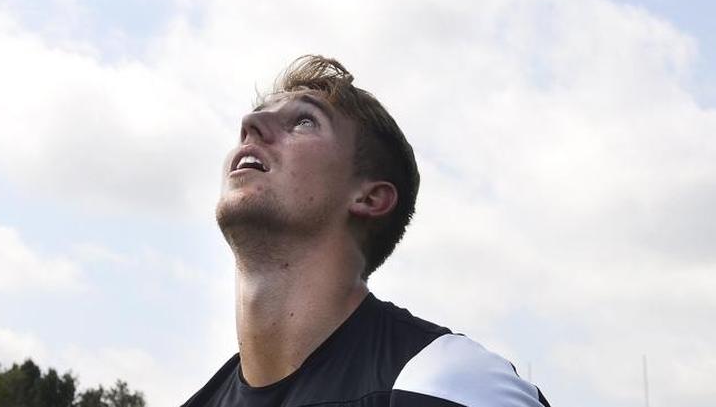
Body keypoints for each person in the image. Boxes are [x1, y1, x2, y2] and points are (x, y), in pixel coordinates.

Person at [182, 55, 551, 407]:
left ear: (370, 197)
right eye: (257, 114)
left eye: (304, 121)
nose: (250, 123)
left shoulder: (447, 384)